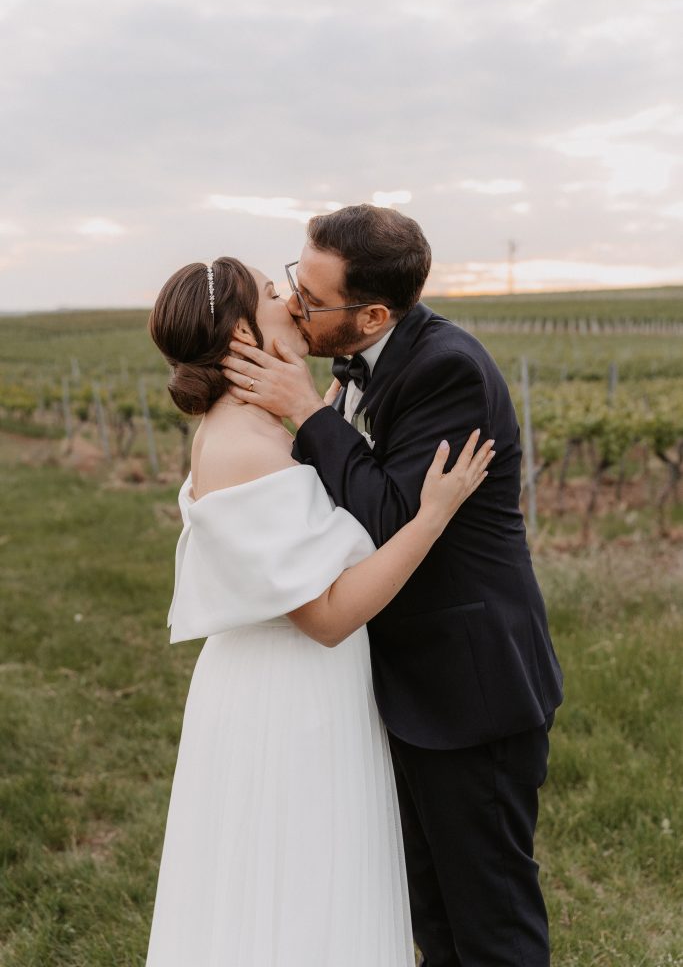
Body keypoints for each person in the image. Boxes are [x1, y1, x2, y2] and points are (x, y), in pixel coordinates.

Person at [222, 205, 564, 967]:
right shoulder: (359, 359)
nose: (293, 305)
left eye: (311, 298)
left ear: (373, 313)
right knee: (431, 916)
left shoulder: (447, 369)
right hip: (407, 686)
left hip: (469, 688)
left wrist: (305, 411)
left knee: (491, 924)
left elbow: (386, 518)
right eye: (293, 282)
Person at [145, 256, 494, 967]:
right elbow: (329, 617)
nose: (293, 301)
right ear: (244, 329)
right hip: (289, 699)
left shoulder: (257, 427)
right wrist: (430, 517)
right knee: (298, 898)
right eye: (276, 293)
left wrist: (315, 413)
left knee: (310, 891)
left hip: (299, 688)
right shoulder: (243, 447)